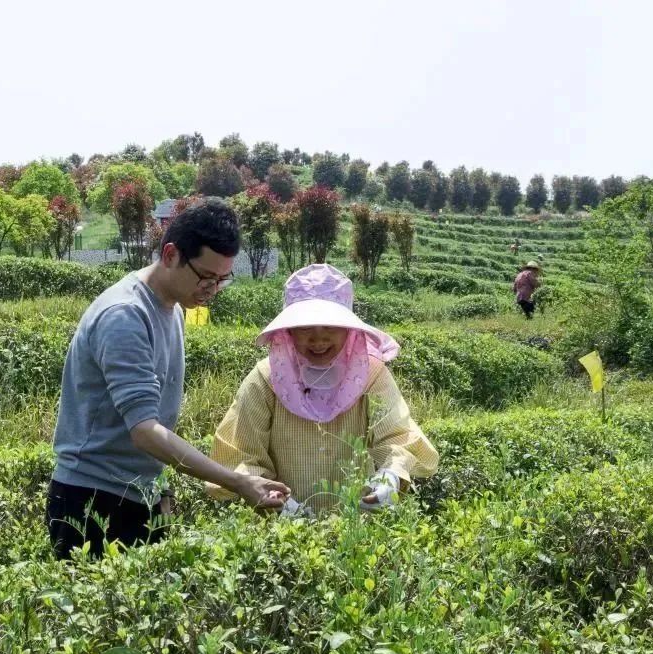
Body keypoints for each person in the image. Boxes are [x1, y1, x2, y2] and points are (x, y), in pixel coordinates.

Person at [47, 198, 290, 560]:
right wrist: (238, 481)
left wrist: (160, 488)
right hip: (93, 498)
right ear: (172, 254)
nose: (212, 289)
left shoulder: (173, 307)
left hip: (139, 493)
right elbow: (144, 430)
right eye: (206, 277)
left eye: (222, 280)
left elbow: (156, 424)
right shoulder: (126, 315)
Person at [207, 264, 438, 515]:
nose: (318, 339)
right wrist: (270, 496)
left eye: (330, 326)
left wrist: (390, 476)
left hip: (356, 526)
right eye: (305, 327)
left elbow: (397, 435)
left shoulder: (371, 376)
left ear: (349, 330)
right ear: (289, 332)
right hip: (281, 535)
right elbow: (240, 453)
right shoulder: (265, 379)